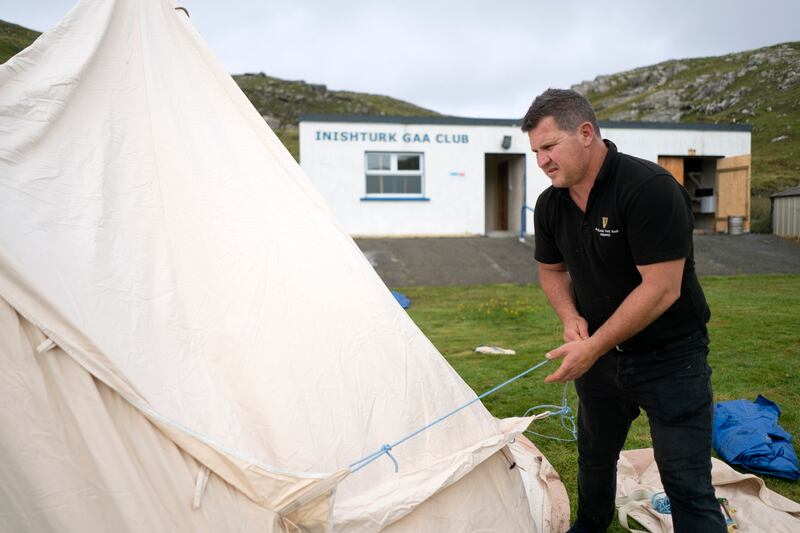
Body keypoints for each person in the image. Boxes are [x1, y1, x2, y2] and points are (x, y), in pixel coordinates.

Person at [523, 88, 726, 533]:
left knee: (686, 482)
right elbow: (552, 272)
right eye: (536, 150)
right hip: (601, 359)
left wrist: (592, 345)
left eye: (550, 146)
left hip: (671, 358)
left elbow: (662, 288)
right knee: (594, 458)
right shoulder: (551, 203)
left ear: (586, 133)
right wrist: (569, 318)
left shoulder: (648, 189)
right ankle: (590, 526)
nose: (542, 161)